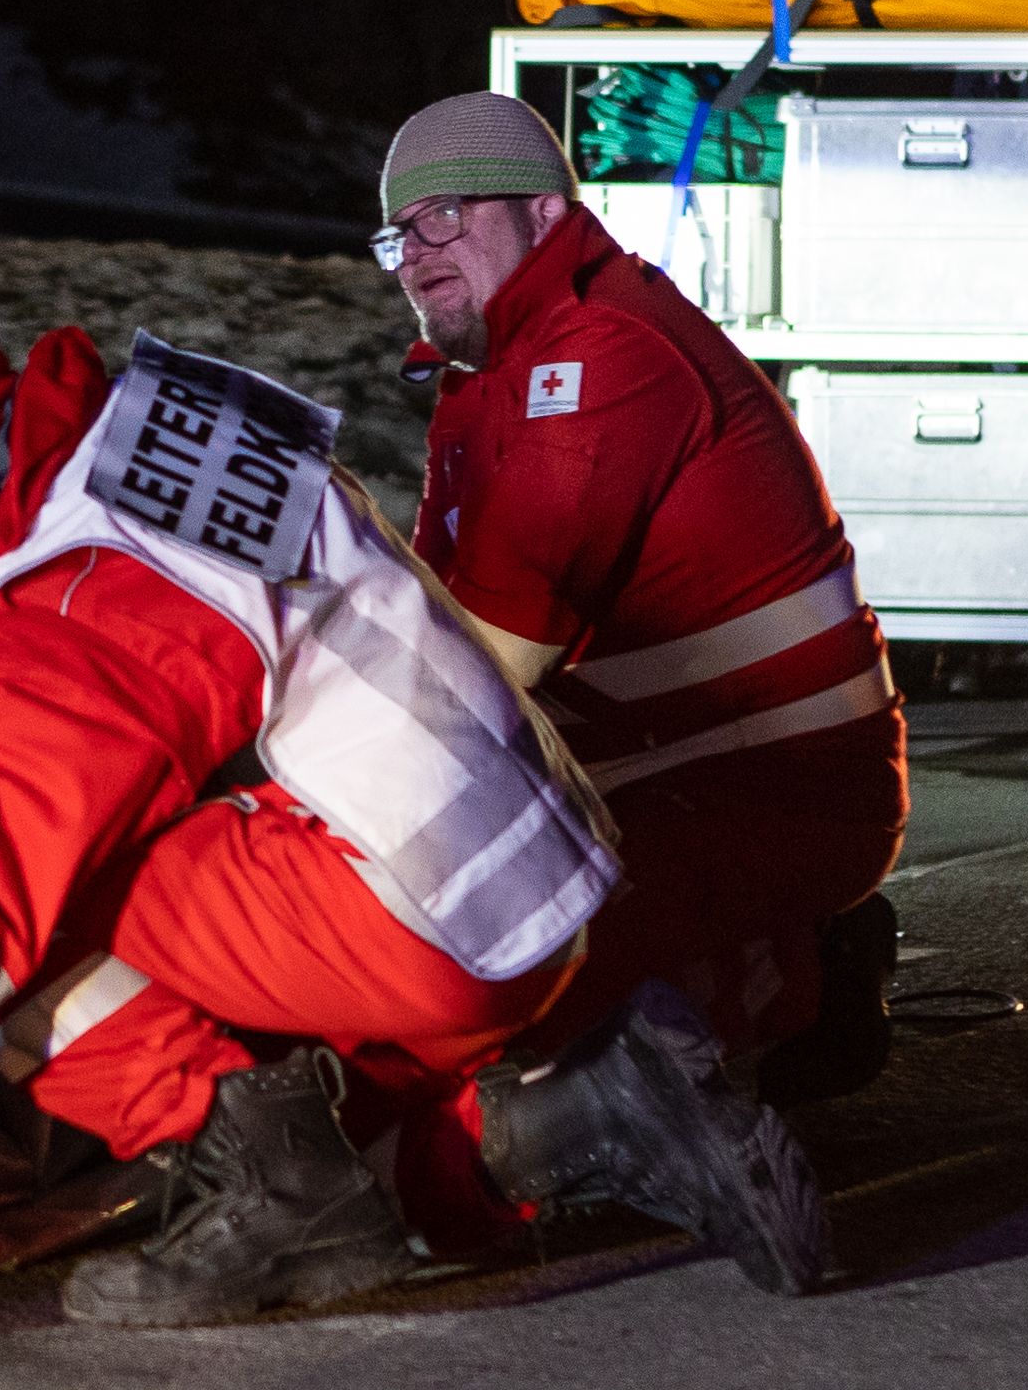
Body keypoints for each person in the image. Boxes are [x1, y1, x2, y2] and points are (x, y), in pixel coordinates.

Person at [0, 282, 825, 1328]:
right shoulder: (143, 436)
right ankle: (597, 1111)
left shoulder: (71, 588)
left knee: (33, 914)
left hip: (408, 909)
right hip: (517, 874)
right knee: (368, 1151)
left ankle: (257, 1172)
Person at [372, 91, 903, 1245]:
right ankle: (768, 990)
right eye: (397, 233)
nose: (415, 254)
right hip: (681, 774)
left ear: (545, 209)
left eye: (446, 215)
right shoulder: (490, 368)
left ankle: (680, 1068)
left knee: (431, 967)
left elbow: (491, 660)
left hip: (757, 794)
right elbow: (433, 612)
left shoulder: (597, 354)